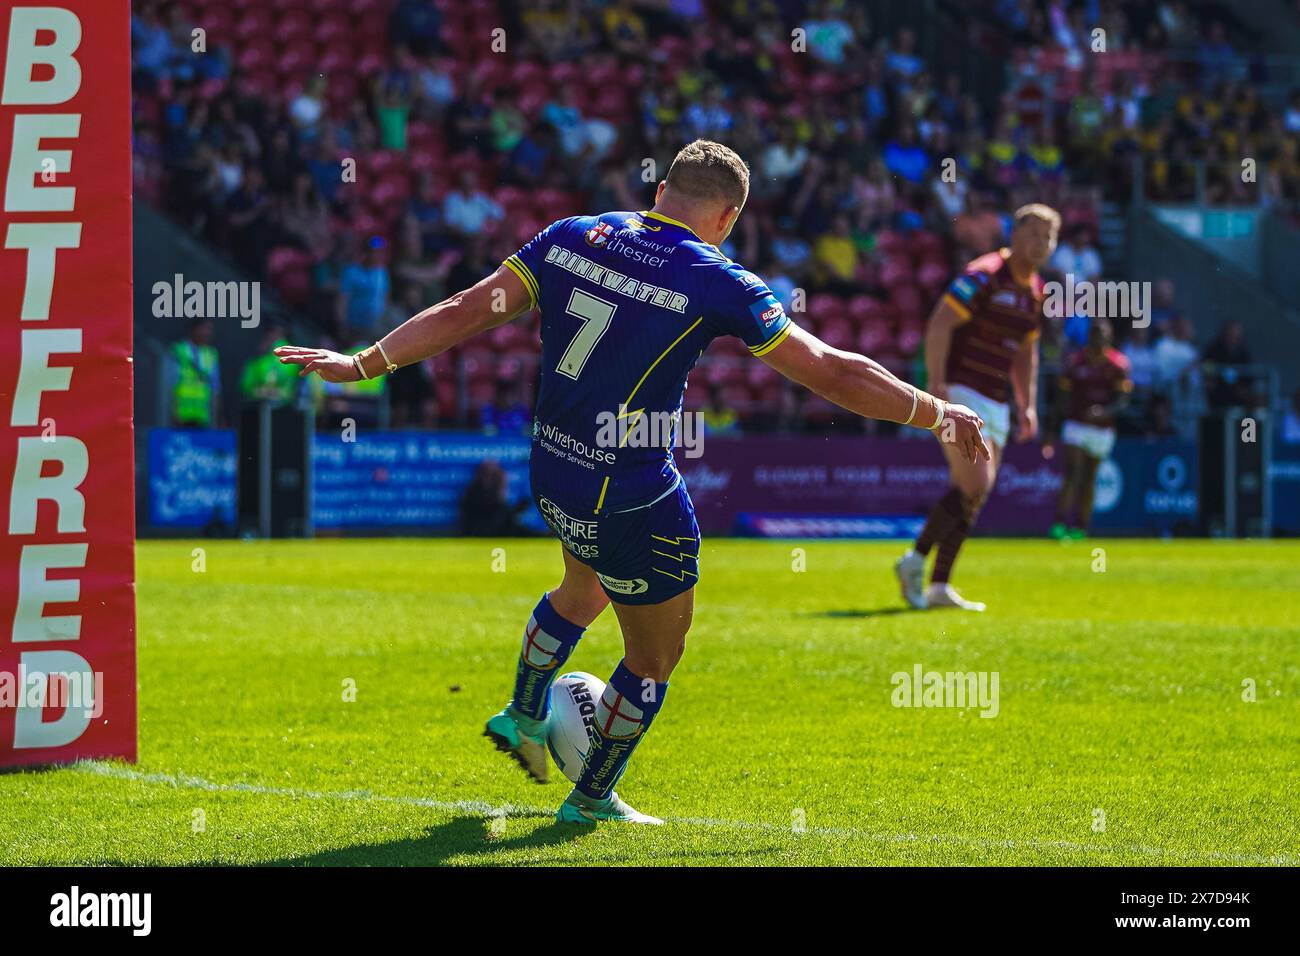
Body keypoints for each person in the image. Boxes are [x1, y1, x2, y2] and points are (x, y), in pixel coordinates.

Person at [274, 140, 987, 825]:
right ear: (728, 217)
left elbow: (468, 307)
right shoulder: (718, 277)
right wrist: (935, 412)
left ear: (658, 193)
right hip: (634, 490)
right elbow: (831, 369)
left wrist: (364, 362)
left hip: (553, 466)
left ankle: (523, 714)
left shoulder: (573, 234)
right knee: (655, 655)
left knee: (581, 590)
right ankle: (591, 797)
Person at [894, 203, 1060, 612]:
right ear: (1015, 235)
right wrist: (936, 384)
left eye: (1049, 237)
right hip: (961, 393)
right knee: (973, 484)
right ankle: (913, 560)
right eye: (1035, 234)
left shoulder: (1036, 290)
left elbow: (1026, 354)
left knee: (974, 496)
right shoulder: (985, 273)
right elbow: (940, 323)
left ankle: (939, 586)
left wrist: (1028, 404)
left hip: (997, 403)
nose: (1041, 243)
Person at [1051, 317, 1132, 539]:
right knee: (1073, 472)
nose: (1098, 338)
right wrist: (1054, 426)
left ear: (1109, 337)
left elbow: (1123, 400)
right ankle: (1058, 525)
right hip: (1076, 425)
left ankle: (1080, 528)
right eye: (1095, 334)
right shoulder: (1075, 362)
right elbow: (1062, 397)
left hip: (1102, 430)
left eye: (1102, 334)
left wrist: (1105, 412)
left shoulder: (1118, 365)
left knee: (1089, 478)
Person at [168, 318, 221, 428]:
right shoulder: (179, 350)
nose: (208, 333)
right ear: (194, 329)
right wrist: (172, 411)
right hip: (179, 415)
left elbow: (215, 388)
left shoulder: (211, 354)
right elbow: (169, 384)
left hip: (202, 417)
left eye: (210, 329)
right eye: (205, 329)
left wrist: (215, 417)